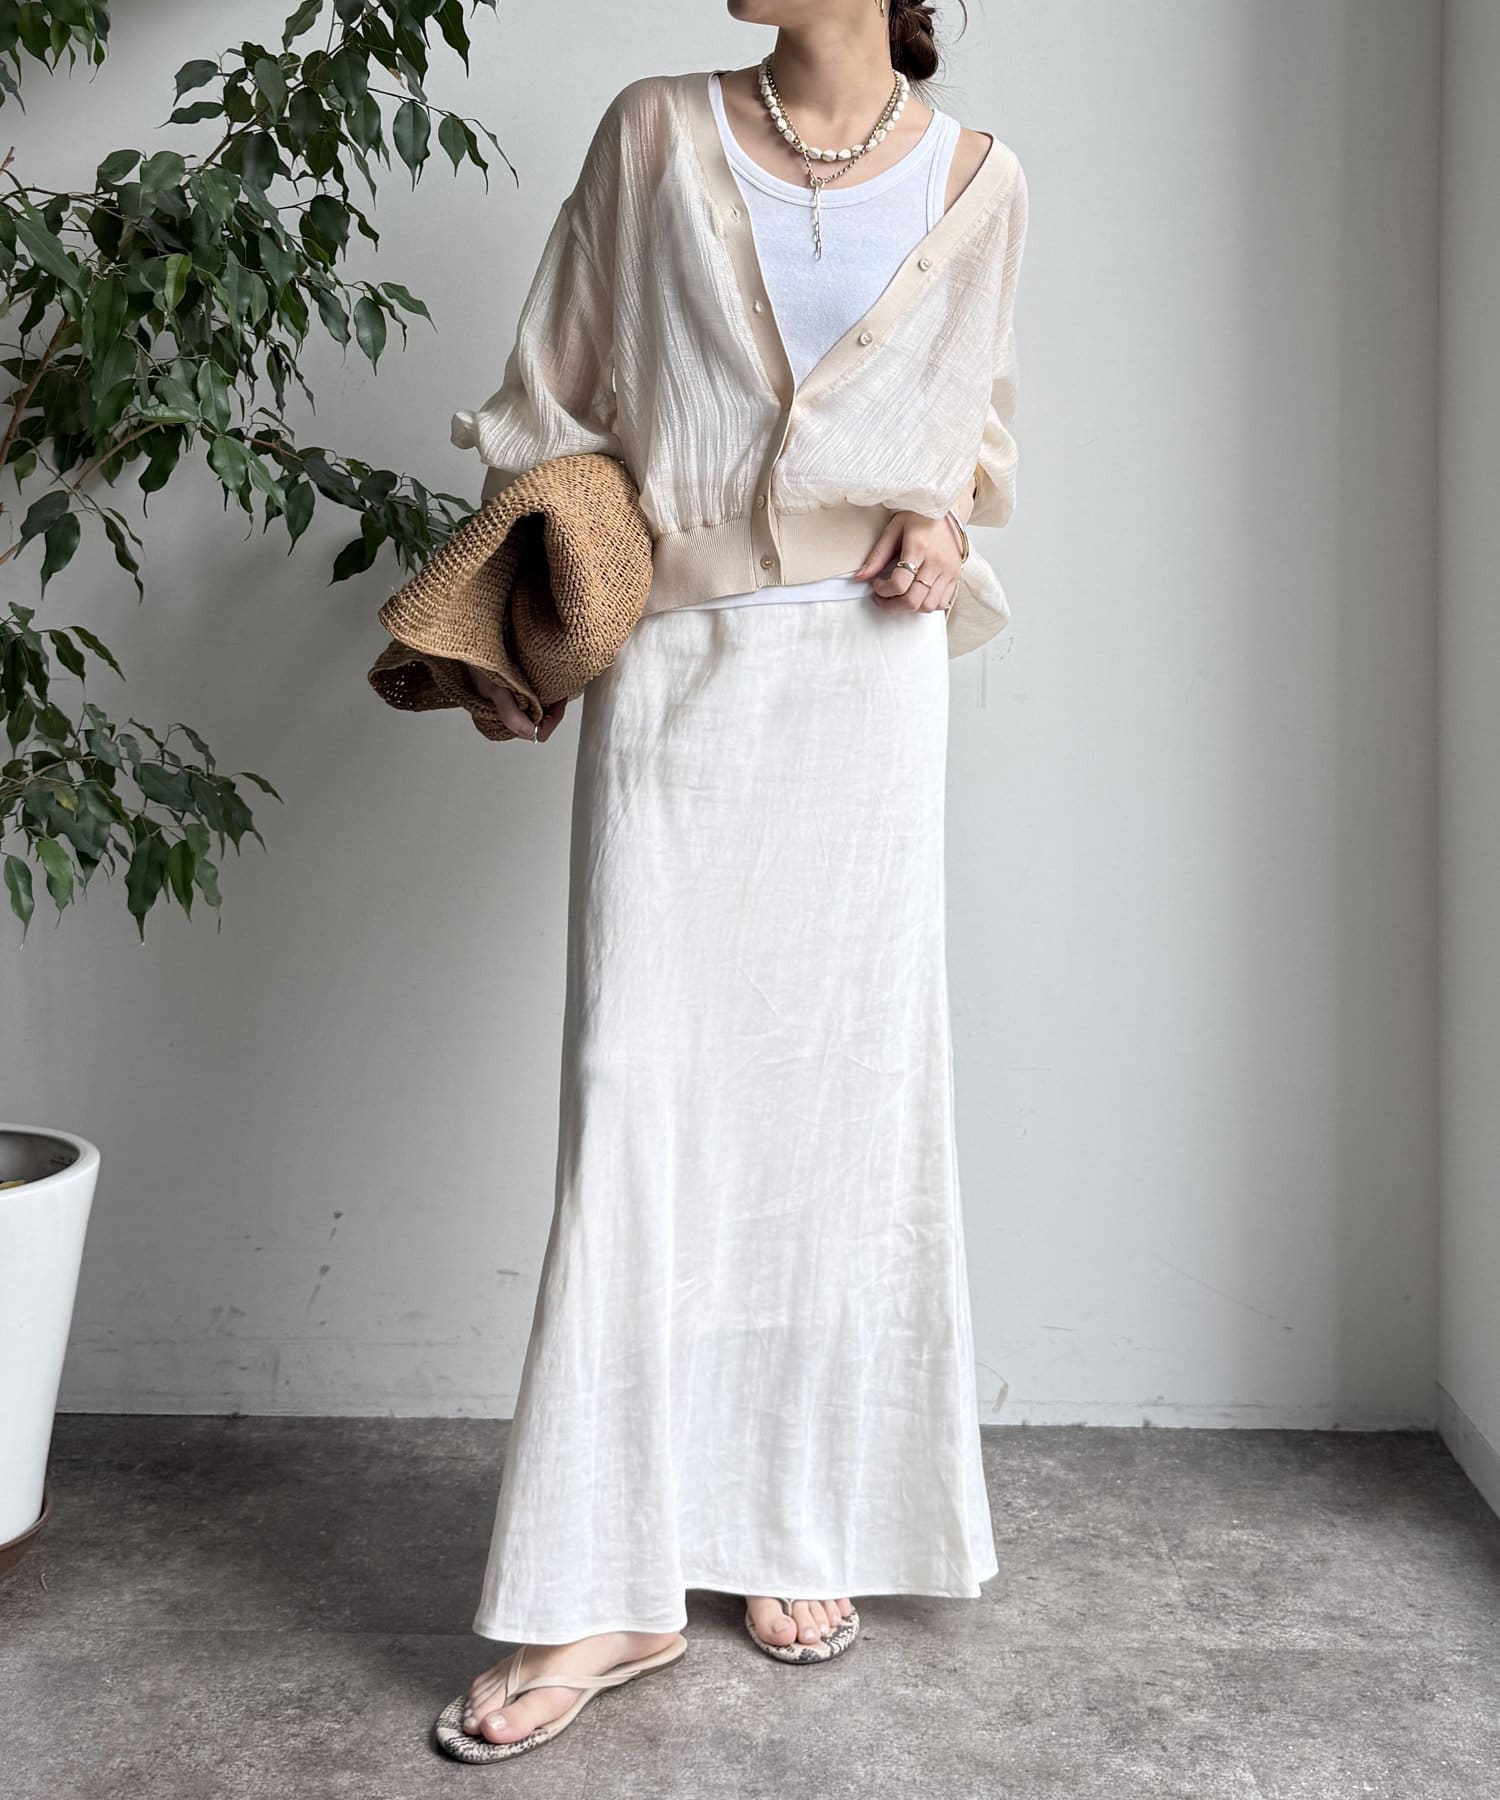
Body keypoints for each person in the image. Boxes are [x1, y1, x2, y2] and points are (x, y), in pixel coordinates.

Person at [437, 0, 1029, 1760]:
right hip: (681, 672)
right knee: (635, 1089)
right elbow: (552, 400)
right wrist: (532, 616)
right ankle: (607, 1585)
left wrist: (946, 516)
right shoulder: (654, 131)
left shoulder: (983, 182)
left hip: (868, 688)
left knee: (830, 1100)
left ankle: (790, 1505)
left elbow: (976, 433)